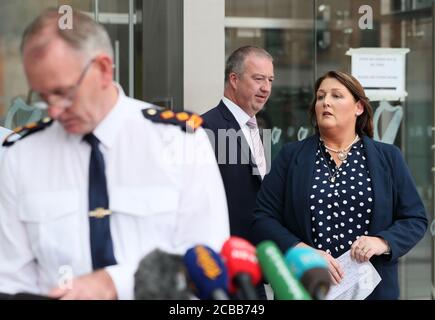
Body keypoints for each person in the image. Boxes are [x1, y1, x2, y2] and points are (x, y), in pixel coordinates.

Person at [0, 8, 229, 300]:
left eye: (64, 93)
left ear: (104, 69)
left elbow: (207, 261)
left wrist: (114, 283)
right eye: (43, 98)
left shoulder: (180, 141)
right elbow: (10, 282)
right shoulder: (21, 155)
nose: (55, 110)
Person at [250, 70, 427, 299]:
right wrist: (302, 251)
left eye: (336, 96)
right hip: (306, 285)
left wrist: (382, 242)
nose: (326, 102)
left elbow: (414, 218)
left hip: (371, 290)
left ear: (358, 107)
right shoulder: (291, 156)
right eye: (321, 96)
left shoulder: (388, 157)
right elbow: (262, 218)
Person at [202, 46, 274, 299]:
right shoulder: (205, 128)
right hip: (224, 272)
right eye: (258, 78)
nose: (266, 88)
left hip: (255, 269)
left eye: (270, 80)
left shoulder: (259, 129)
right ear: (234, 79)